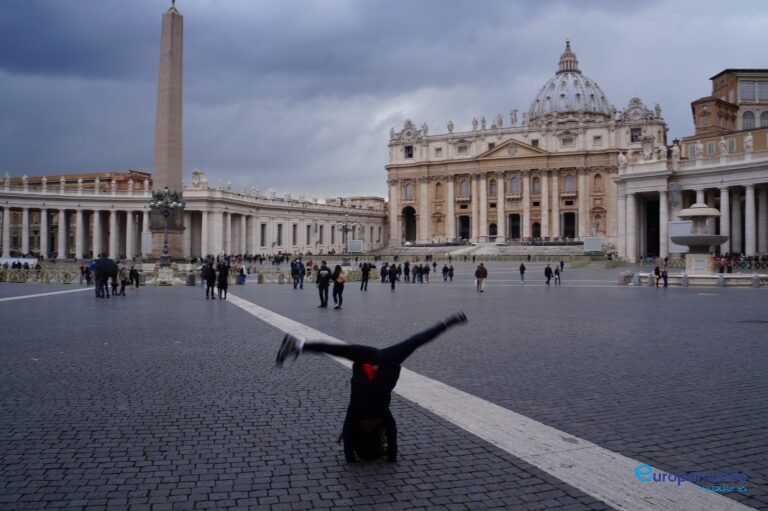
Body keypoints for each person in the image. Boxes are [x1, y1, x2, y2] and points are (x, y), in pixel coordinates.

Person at [276, 311, 468, 462]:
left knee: (338, 349)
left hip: (370, 359)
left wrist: (355, 458)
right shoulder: (378, 413)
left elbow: (353, 434)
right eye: (372, 429)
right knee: (415, 341)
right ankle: (297, 345)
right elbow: (389, 432)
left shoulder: (358, 413)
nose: (368, 426)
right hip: (385, 360)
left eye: (365, 428)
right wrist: (389, 457)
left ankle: (298, 345)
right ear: (376, 429)